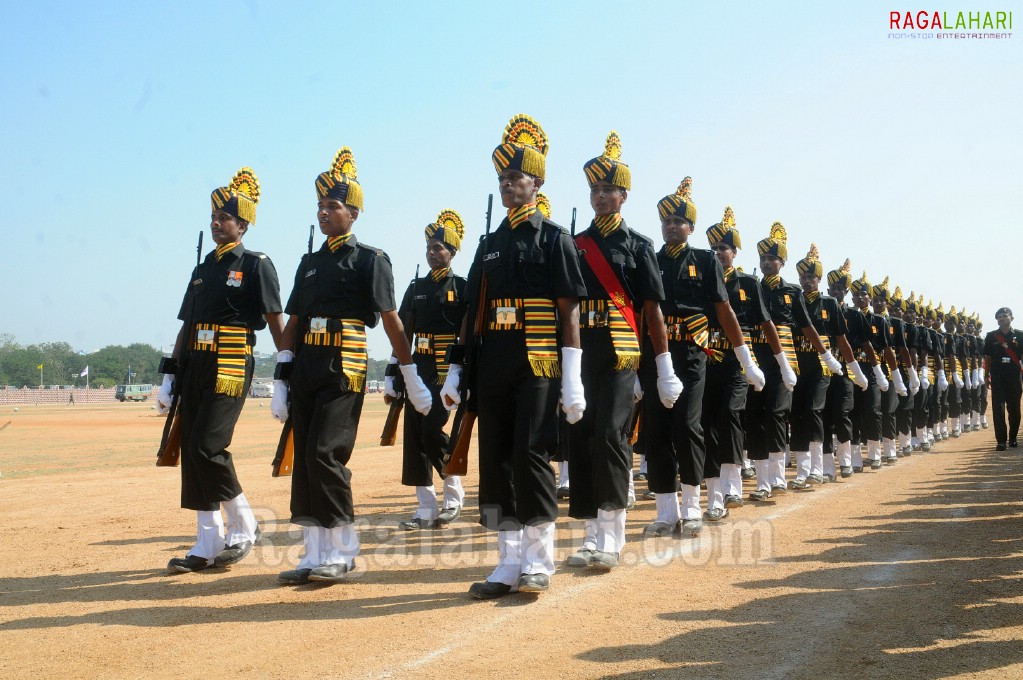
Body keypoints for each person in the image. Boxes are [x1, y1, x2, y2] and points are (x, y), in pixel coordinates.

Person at [440, 114, 587, 599]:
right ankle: (507, 561)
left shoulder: (554, 238)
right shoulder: (489, 244)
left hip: (538, 361)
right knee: (496, 458)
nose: (508, 185)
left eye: (516, 178)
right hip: (494, 363)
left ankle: (539, 559)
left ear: (536, 183)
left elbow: (568, 311)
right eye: (503, 179)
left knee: (530, 454)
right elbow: (472, 312)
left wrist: (573, 378)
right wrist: (457, 367)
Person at [272, 147, 433, 585]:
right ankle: (313, 551)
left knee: (327, 454)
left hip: (344, 364)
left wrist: (410, 373)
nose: (324, 213)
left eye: (334, 206)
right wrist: (281, 374)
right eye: (321, 206)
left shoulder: (370, 259)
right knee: (305, 458)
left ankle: (343, 551)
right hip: (306, 362)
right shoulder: (310, 262)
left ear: (354, 213)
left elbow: (391, 319)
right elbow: (295, 321)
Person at [157, 167, 284, 573]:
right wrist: (169, 373)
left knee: (207, 446)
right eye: (213, 217)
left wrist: (286, 369)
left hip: (230, 362)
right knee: (191, 451)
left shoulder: (256, 264)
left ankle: (244, 525)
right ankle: (207, 540)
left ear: (243, 224)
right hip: (195, 362)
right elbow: (186, 325)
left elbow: (275, 319)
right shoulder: (201, 269)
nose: (216, 224)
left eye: (224, 218)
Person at [563, 132, 680, 571]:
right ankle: (592, 531)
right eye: (594, 190)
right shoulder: (575, 244)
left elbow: (652, 312)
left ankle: (612, 535)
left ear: (623, 196)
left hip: (622, 349)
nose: (600, 197)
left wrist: (663, 365)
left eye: (608, 190)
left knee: (611, 436)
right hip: (582, 349)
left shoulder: (639, 246)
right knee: (582, 435)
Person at [641, 179, 763, 537]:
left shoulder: (704, 260)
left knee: (688, 425)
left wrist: (746, 359)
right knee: (658, 429)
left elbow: (723, 311)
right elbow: (641, 311)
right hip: (657, 353)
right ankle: (666, 511)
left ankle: (693, 505)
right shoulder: (652, 260)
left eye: (679, 221)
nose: (671, 227)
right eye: (666, 221)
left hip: (694, 354)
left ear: (691, 227)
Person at [389, 209, 468, 530]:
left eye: (439, 248)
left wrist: (461, 371)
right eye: (430, 248)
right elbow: (403, 329)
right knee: (414, 437)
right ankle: (425, 507)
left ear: (452, 252)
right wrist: (394, 370)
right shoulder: (416, 286)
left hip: (445, 368)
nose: (433, 253)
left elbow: (467, 330)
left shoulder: (462, 286)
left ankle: (453, 493)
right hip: (416, 367)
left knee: (432, 430)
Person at [745, 223, 835, 500]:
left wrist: (825, 355)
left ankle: (779, 476)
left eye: (772, 258)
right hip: (757, 358)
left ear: (781, 262)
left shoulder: (792, 291)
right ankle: (763, 481)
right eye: (763, 259)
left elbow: (806, 326)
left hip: (785, 363)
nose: (767, 263)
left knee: (777, 414)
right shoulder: (751, 287)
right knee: (755, 417)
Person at [702, 207, 773, 517]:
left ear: (734, 252)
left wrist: (779, 363)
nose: (718, 253)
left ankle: (732, 487)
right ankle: (714, 495)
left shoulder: (747, 283)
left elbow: (764, 321)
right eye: (714, 248)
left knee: (731, 415)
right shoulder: (702, 277)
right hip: (705, 357)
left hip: (736, 359)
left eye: (724, 248)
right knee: (706, 422)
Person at [789, 245, 866, 489]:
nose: (807, 281)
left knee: (820, 412)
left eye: (811, 277)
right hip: (798, 363)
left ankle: (826, 465)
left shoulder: (829, 304)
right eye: (803, 277)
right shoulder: (794, 300)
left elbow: (842, 340)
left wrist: (856, 369)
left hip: (825, 365)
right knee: (799, 415)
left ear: (819, 279)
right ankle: (804, 470)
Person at [984, 307, 1023, 450]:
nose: (1001, 318)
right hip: (998, 376)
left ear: (1011, 318)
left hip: (1014, 376)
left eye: (1005, 316)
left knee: (1014, 408)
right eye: (999, 317)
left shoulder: (1020, 335)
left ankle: (1012, 438)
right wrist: (986, 375)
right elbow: (987, 358)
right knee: (998, 408)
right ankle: (1001, 440)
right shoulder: (991, 336)